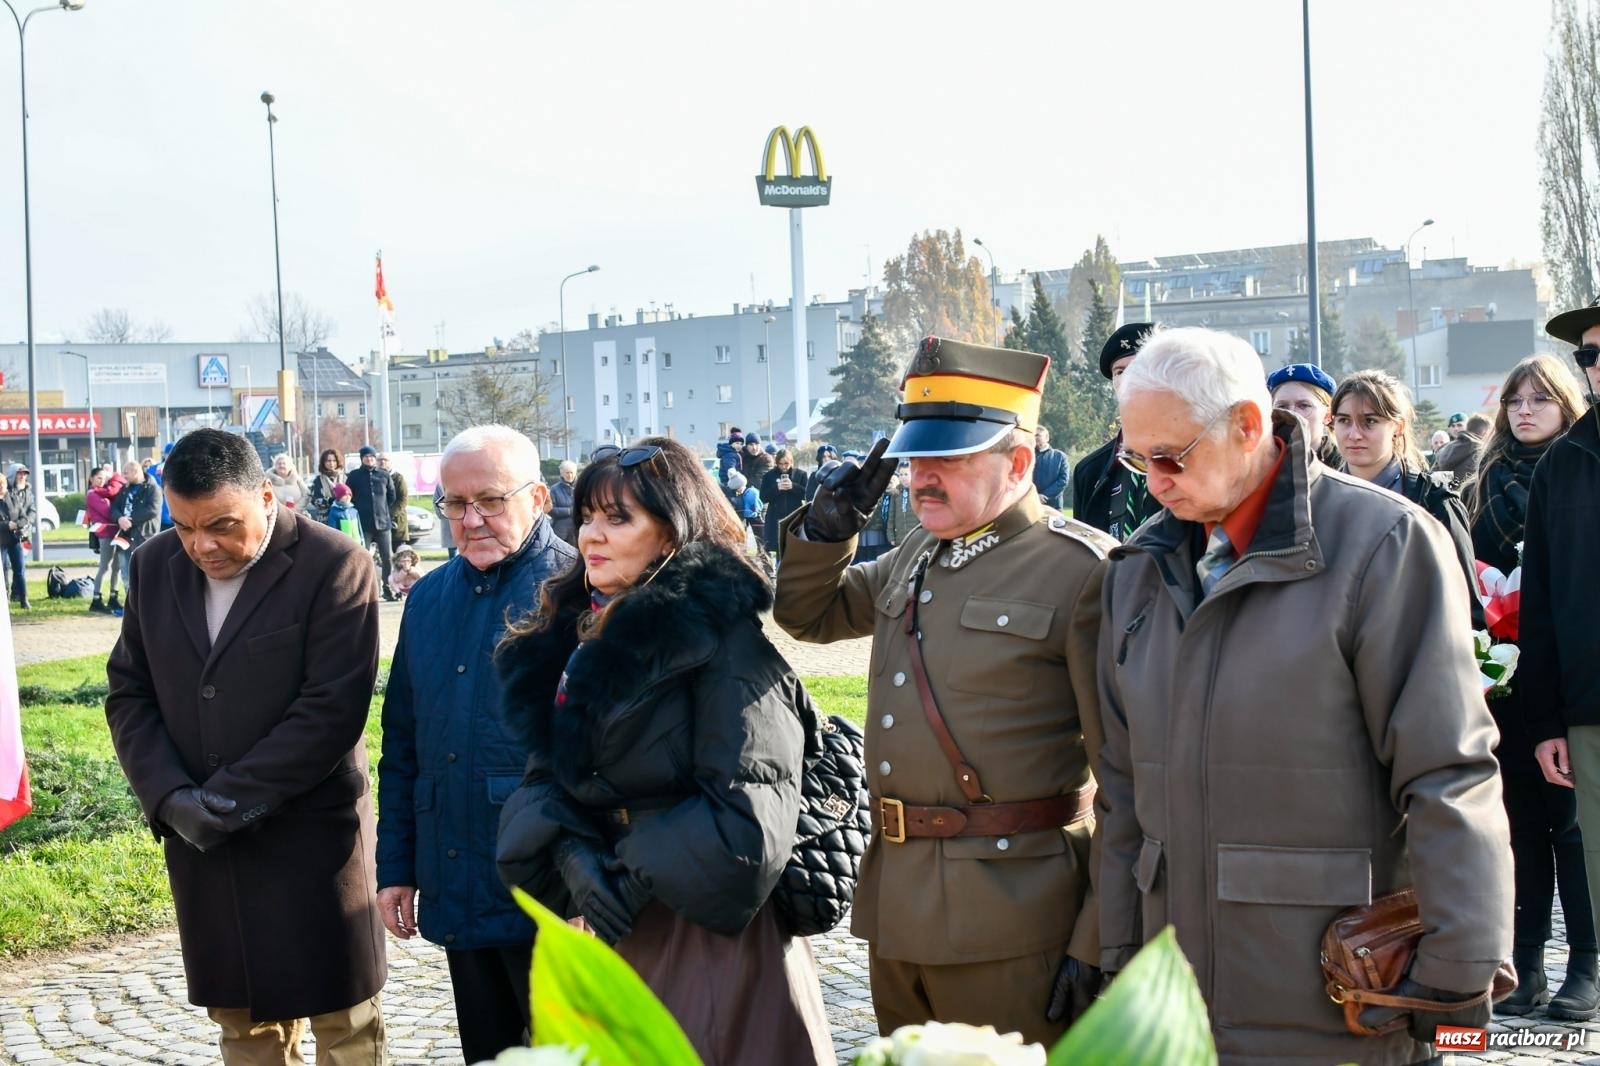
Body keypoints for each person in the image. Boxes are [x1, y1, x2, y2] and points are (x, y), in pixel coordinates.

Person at [1097, 326, 1511, 1064]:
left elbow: (1448, 768)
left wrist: (1456, 975)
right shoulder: (1137, 570)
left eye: (1170, 456)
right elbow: (1125, 792)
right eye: (1139, 456)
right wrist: (1117, 952)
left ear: (1249, 427)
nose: (1152, 479)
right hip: (1175, 993)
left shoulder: (1382, 544)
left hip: (1334, 984)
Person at [773, 336, 1113, 1047]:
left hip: (1015, 917)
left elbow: (1132, 784)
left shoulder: (1083, 572)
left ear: (1018, 462)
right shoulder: (921, 552)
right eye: (914, 458)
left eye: (948, 459)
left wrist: (1101, 934)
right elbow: (809, 613)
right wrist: (828, 532)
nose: (920, 477)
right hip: (899, 906)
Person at [495, 436, 835, 1065]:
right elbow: (545, 776)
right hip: (610, 928)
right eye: (586, 518)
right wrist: (572, 858)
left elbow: (749, 818)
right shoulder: (574, 633)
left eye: (618, 518)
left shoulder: (727, 645)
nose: (591, 536)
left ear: (672, 533)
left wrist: (621, 878)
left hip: (709, 939)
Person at [103, 428, 387, 1065]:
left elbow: (330, 712)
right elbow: (129, 694)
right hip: (204, 846)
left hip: (311, 843)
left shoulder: (335, 563)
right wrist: (170, 798)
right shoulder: (151, 566)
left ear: (267, 496)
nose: (203, 546)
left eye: (223, 525)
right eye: (183, 527)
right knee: (244, 1028)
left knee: (345, 1030)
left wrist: (221, 800)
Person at [377, 426, 575, 1064]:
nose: (471, 519)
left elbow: (607, 759)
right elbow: (403, 742)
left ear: (539, 498)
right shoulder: (429, 597)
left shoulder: (580, 589)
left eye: (490, 500)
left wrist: (592, 893)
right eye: (455, 505)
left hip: (553, 891)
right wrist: (397, 866)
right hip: (458, 869)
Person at [1468, 354, 1595, 1018]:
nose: (1524, 411)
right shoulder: (1482, 484)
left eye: (1539, 399)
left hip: (1570, 675)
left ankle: (1586, 963)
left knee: (1573, 827)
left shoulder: (1578, 470)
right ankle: (1525, 958)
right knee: (1519, 825)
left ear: (1565, 404)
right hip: (1502, 678)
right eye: (1514, 400)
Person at [1526, 297, 1600, 1026]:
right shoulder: (1564, 466)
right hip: (1589, 711)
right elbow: (1541, 607)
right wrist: (1546, 720)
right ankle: (1590, 965)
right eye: (1592, 355)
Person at [1331, 370, 1481, 627]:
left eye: (1369, 421)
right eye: (1344, 420)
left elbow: (1467, 608)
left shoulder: (1435, 502)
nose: (1354, 434)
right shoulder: (1316, 499)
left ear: (1397, 427)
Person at [1072, 322, 1159, 539]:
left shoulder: (1194, 457)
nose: (1129, 378)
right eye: (1120, 371)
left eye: (1139, 368)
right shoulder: (1090, 472)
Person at [346, 446, 398, 601]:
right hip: (363, 524)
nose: (369, 459)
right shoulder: (354, 476)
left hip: (383, 523)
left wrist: (382, 510)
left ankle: (388, 588)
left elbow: (391, 496)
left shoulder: (384, 475)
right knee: (363, 556)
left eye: (371, 456)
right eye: (366, 456)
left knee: (387, 557)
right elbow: (349, 496)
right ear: (361, 458)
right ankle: (364, 589)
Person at [1267, 362, 1340, 466]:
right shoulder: (1260, 467)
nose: (1292, 413)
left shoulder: (1348, 468)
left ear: (1327, 415)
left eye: (1304, 406)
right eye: (1282, 406)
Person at [111, 461, 163, 599]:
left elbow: (152, 510)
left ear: (135, 472)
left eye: (126, 473)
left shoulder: (153, 488)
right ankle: (132, 606)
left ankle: (149, 604)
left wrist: (130, 519)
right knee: (126, 572)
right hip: (124, 537)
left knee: (146, 573)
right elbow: (114, 507)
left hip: (144, 536)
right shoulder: (124, 489)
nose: (123, 476)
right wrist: (119, 519)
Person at [87, 465, 127, 614]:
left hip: (116, 532)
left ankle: (113, 596)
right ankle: (96, 599)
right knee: (104, 567)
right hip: (105, 534)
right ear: (91, 479)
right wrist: (120, 514)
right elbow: (108, 511)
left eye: (104, 479)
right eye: (99, 478)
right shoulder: (92, 494)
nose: (102, 481)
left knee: (116, 567)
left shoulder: (105, 493)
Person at [758, 449, 808, 557]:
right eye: (780, 464)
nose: (783, 466)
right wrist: (777, 488)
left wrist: (793, 486)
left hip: (794, 516)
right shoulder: (769, 476)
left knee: (794, 547)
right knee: (776, 548)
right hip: (774, 517)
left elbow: (806, 494)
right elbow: (763, 497)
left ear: (791, 462)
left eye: (786, 463)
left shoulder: (800, 474)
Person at [0, 468, 32, 608]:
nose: (1, 487)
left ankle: (24, 599)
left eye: (3, 484)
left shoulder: (12, 497)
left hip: (15, 539)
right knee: (4, 570)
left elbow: (24, 516)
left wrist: (17, 525)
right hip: (1, 540)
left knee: (20, 569)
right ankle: (5, 599)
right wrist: (7, 525)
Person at [1433, 412, 1491, 487]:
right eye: (1453, 426)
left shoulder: (1442, 450)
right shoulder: (1482, 453)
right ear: (1485, 433)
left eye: (1459, 425)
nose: (1456, 428)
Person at [1031, 426, 1068, 508]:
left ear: (1047, 438)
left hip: (1054, 505)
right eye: (1033, 435)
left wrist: (1044, 495)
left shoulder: (1060, 456)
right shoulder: (1027, 455)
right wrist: (1034, 496)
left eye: (1037, 435)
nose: (1034, 437)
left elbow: (1063, 480)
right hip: (1031, 504)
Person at [381, 453, 410, 552]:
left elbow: (403, 499)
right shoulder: (375, 477)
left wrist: (388, 514)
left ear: (390, 462)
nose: (382, 462)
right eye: (380, 460)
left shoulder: (398, 478)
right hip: (380, 524)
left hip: (397, 522)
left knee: (399, 554)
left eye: (385, 460)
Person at [306, 449, 344, 523]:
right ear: (324, 463)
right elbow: (315, 500)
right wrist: (332, 500)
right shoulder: (318, 480)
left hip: (343, 517)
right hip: (325, 519)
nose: (331, 463)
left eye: (334, 461)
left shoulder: (344, 478)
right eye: (328, 461)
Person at [549, 460, 578, 545]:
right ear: (561, 474)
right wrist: (569, 511)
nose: (570, 475)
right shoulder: (554, 489)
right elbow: (550, 509)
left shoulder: (581, 487)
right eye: (567, 473)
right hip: (560, 533)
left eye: (572, 473)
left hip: (577, 531)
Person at [434, 482, 457, 559]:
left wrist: (442, 516)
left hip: (450, 520)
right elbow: (436, 502)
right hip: (450, 521)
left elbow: (435, 502)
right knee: (453, 552)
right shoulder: (441, 484)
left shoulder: (441, 484)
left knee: (453, 553)